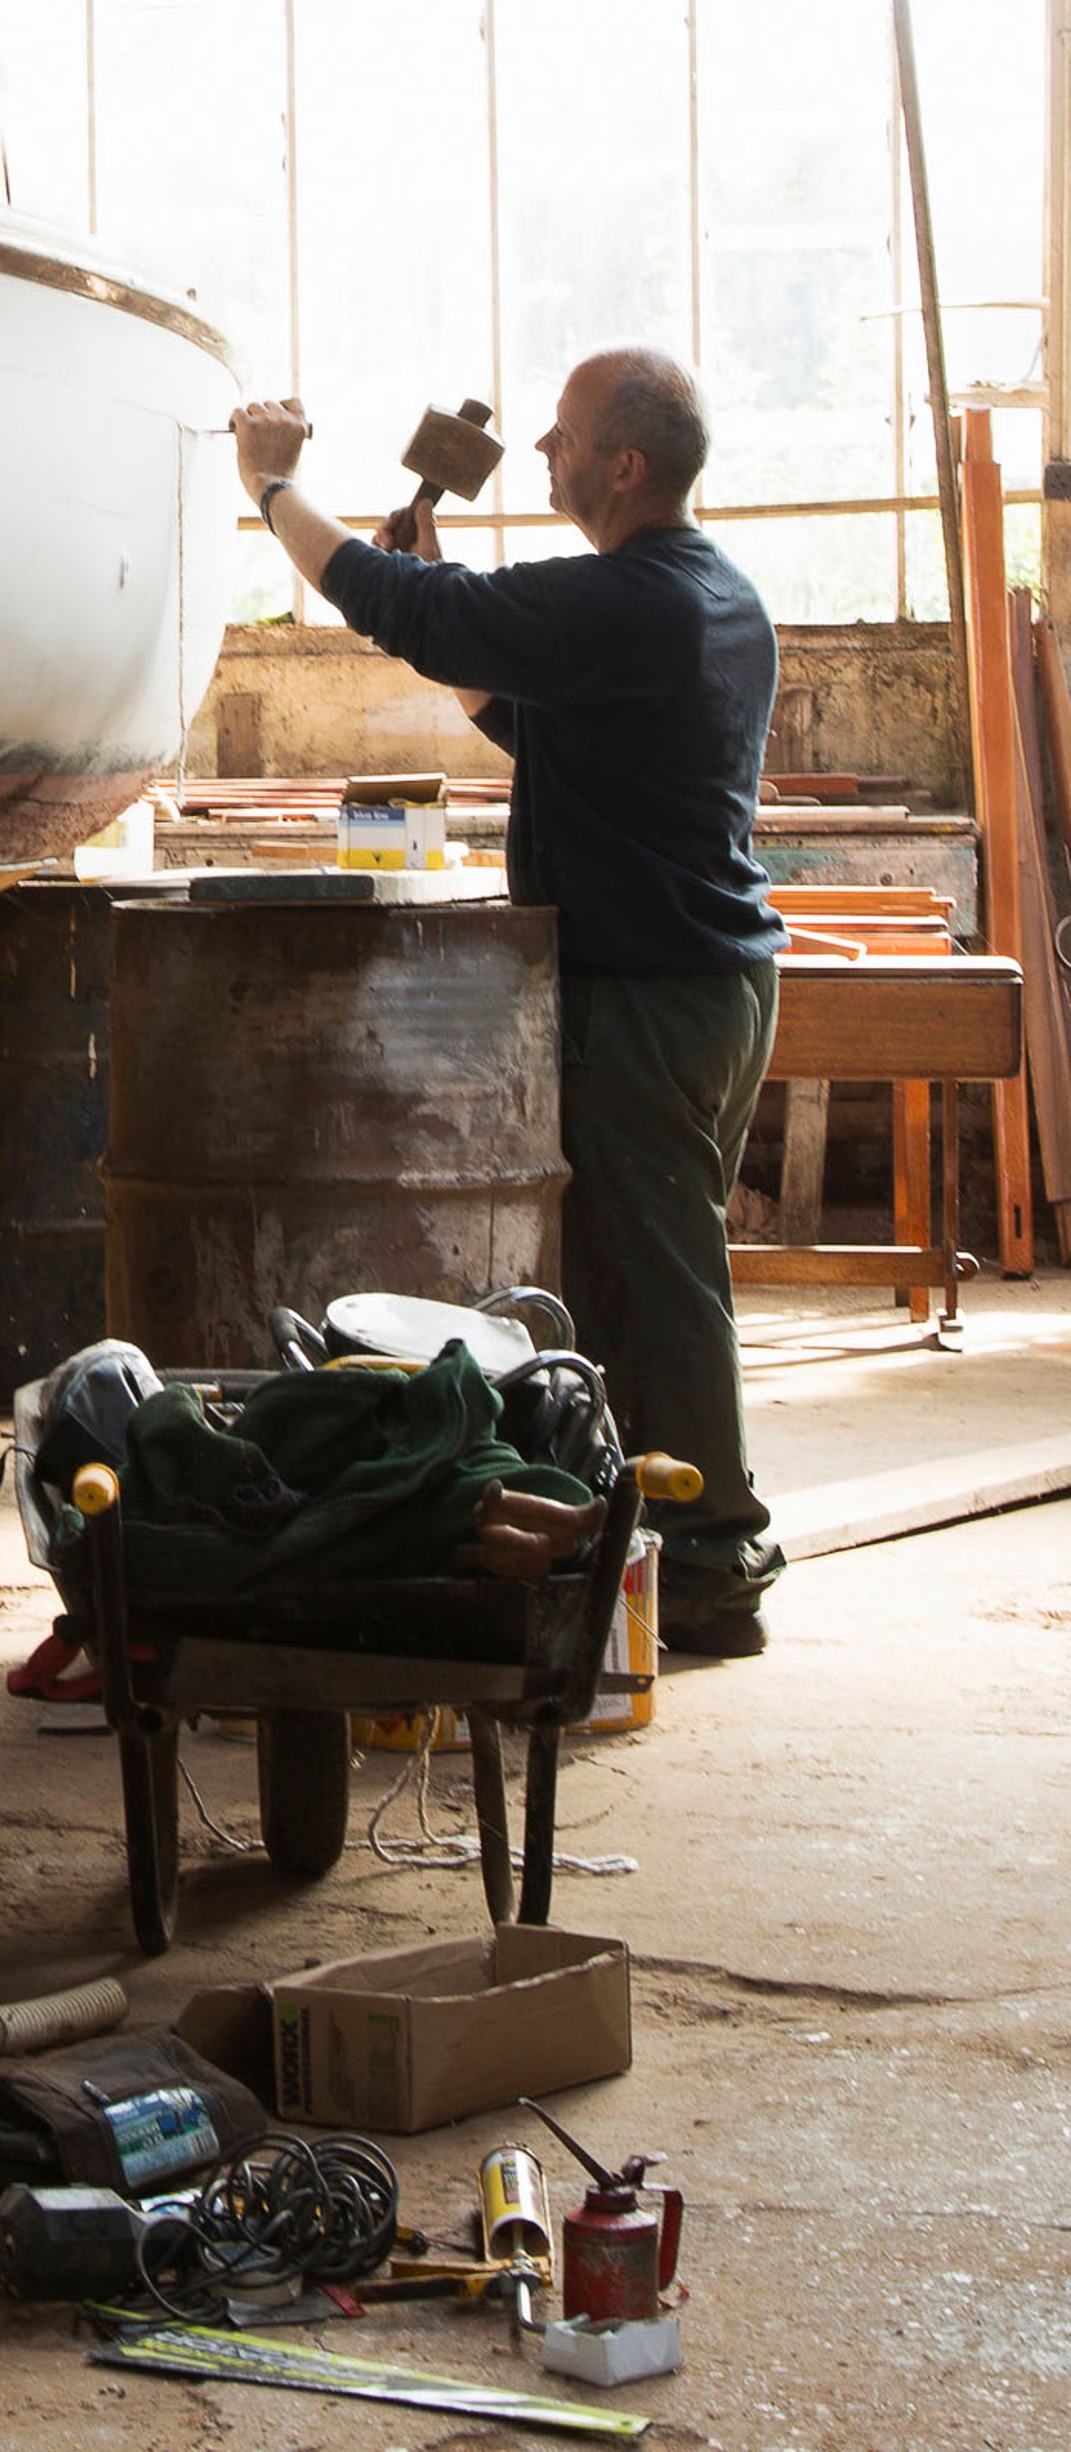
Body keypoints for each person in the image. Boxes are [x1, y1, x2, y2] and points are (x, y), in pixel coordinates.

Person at [231, 350, 785, 1660]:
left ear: (626, 466)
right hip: (707, 979)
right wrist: (453, 630)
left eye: (566, 434)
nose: (542, 447)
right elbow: (541, 735)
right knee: (638, 1263)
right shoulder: (714, 597)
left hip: (650, 990)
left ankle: (713, 1559)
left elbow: (398, 606)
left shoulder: (629, 598)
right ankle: (640, 1531)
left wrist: (275, 489)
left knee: (661, 1275)